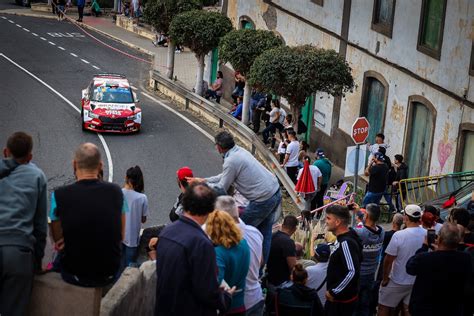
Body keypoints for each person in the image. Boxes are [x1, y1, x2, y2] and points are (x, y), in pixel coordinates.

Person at [189, 131, 281, 264]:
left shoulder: (231, 161)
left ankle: (236, 266)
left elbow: (221, 188)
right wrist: (204, 180)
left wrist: (201, 185)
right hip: (274, 191)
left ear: (219, 147)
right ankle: (260, 270)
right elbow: (226, 175)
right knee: (264, 234)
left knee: (235, 232)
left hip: (262, 199)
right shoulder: (239, 151)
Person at [50, 143, 125, 287]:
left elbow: (58, 241)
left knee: (57, 259)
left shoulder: (59, 195)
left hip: (74, 273)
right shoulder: (116, 192)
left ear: (74, 164)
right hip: (109, 271)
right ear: (101, 166)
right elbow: (121, 235)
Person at [155, 183, 235, 315]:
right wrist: (226, 297)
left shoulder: (166, 232)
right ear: (210, 210)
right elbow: (207, 292)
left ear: (185, 203)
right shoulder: (201, 244)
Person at [0, 132, 47, 316]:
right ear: (30, 157)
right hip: (18, 256)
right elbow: (40, 226)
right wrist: (36, 262)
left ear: (5, 152)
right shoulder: (37, 176)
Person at [406, 223, 473, 316]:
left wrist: (424, 247)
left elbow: (410, 268)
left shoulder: (425, 258)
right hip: (452, 309)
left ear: (439, 239)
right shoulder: (466, 258)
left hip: (424, 309)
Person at [215, 196, 264, 316]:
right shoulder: (255, 232)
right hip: (256, 298)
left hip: (234, 302)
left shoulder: (222, 244)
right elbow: (261, 261)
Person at [378, 204, 426, 316]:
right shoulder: (426, 233)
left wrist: (385, 278)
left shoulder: (399, 235)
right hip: (415, 280)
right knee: (407, 309)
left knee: (383, 307)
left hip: (397, 280)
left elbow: (388, 260)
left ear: (406, 218)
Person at [206, 210, 250, 315]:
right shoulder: (243, 243)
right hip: (240, 303)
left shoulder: (218, 253)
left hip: (225, 306)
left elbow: (215, 283)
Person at [324, 205, 362, 315]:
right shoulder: (348, 236)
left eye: (328, 218)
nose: (326, 222)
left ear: (338, 222)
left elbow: (352, 271)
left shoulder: (346, 242)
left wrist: (334, 291)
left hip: (341, 303)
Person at [354, 203, 385, 316]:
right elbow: (369, 225)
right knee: (365, 304)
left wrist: (356, 216)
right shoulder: (381, 233)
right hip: (371, 273)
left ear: (366, 215)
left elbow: (354, 230)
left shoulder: (359, 232)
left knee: (354, 306)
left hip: (358, 275)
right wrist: (359, 212)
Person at [120, 166, 148, 273]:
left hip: (119, 236)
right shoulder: (142, 198)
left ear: (126, 178)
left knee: (118, 266)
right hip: (132, 239)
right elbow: (143, 219)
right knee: (129, 268)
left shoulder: (119, 193)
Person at [267, 215, 298, 287]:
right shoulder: (288, 242)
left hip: (270, 279)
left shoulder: (272, 236)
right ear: (294, 229)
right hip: (282, 282)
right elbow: (292, 266)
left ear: (282, 225)